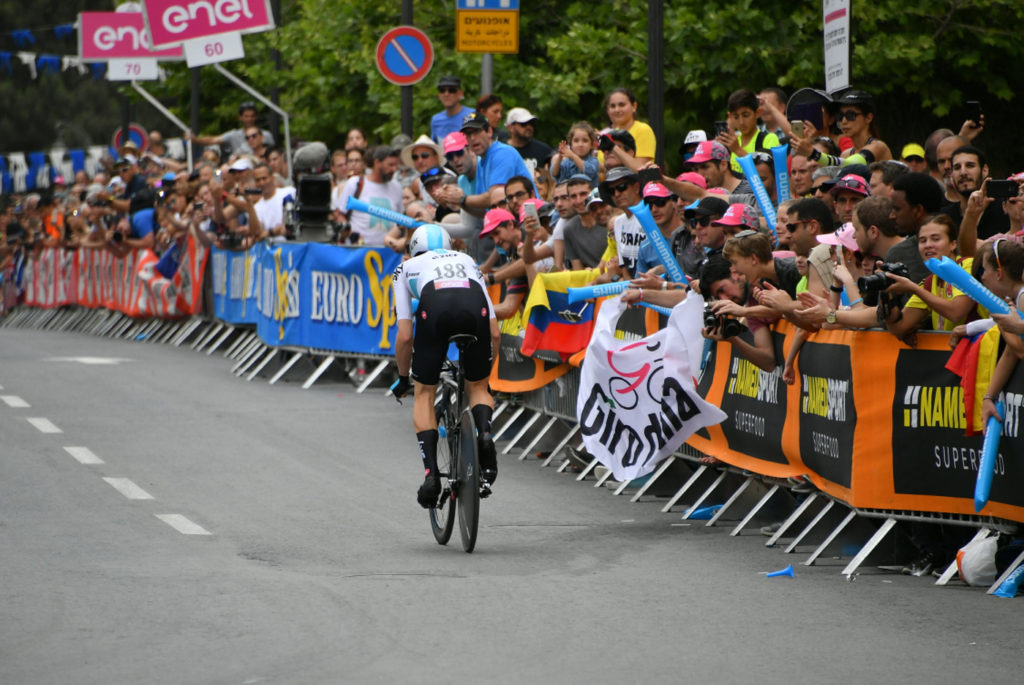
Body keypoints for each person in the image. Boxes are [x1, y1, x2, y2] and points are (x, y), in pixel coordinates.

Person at [391, 225, 500, 507]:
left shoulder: (405, 267)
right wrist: (484, 378)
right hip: (474, 305)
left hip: (435, 308)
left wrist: (404, 379)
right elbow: (495, 332)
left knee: (424, 392)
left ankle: (430, 476)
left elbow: (405, 336)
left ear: (413, 248)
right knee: (477, 388)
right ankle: (485, 435)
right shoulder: (467, 260)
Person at [883, 214, 977, 343]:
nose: (928, 245)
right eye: (922, 241)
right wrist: (885, 292)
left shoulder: (967, 265)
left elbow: (956, 312)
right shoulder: (929, 282)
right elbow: (899, 327)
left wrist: (913, 288)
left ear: (953, 244)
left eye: (935, 239)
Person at [437, 113, 534, 218]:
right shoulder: (481, 163)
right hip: (510, 222)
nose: (473, 138)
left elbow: (493, 197)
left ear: (489, 131)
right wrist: (456, 201)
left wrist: (462, 198)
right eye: (468, 135)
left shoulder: (502, 153)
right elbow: (485, 212)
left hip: (530, 218)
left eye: (477, 132)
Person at [332, 145, 403, 247]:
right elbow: (339, 214)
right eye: (390, 165)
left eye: (396, 165)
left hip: (388, 254)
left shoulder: (397, 187)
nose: (394, 169)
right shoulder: (355, 183)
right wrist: (349, 232)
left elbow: (400, 222)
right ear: (377, 162)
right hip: (358, 251)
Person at [719, 88, 780, 176]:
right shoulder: (731, 142)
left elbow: (768, 174)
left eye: (745, 115)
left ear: (758, 113)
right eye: (736, 117)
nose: (741, 122)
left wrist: (738, 150)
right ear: (730, 116)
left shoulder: (768, 139)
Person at [187, 101, 275, 158]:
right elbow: (214, 139)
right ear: (240, 117)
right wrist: (196, 139)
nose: (249, 119)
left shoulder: (266, 135)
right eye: (246, 116)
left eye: (252, 116)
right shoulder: (234, 135)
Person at [834, 89, 892, 162]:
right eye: (840, 116)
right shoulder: (845, 154)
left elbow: (854, 163)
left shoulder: (878, 147)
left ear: (868, 118)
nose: (844, 121)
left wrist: (816, 154)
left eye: (851, 115)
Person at [604, 87, 656, 163]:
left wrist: (614, 148)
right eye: (612, 106)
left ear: (634, 106)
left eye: (622, 105)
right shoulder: (608, 134)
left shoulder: (643, 130)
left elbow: (641, 167)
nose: (617, 110)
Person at [550, 121, 600, 186]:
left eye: (585, 140)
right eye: (576, 141)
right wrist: (560, 157)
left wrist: (573, 156)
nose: (580, 144)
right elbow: (554, 174)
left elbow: (589, 171)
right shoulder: (566, 162)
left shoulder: (593, 161)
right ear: (570, 144)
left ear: (592, 145)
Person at [505, 107, 553, 173]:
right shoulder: (501, 151)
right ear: (510, 127)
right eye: (523, 124)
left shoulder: (544, 151)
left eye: (531, 123)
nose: (529, 127)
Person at [431, 76, 475, 143]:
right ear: (439, 95)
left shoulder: (472, 115)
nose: (446, 94)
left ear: (460, 94)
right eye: (442, 90)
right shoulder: (436, 120)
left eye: (451, 90)